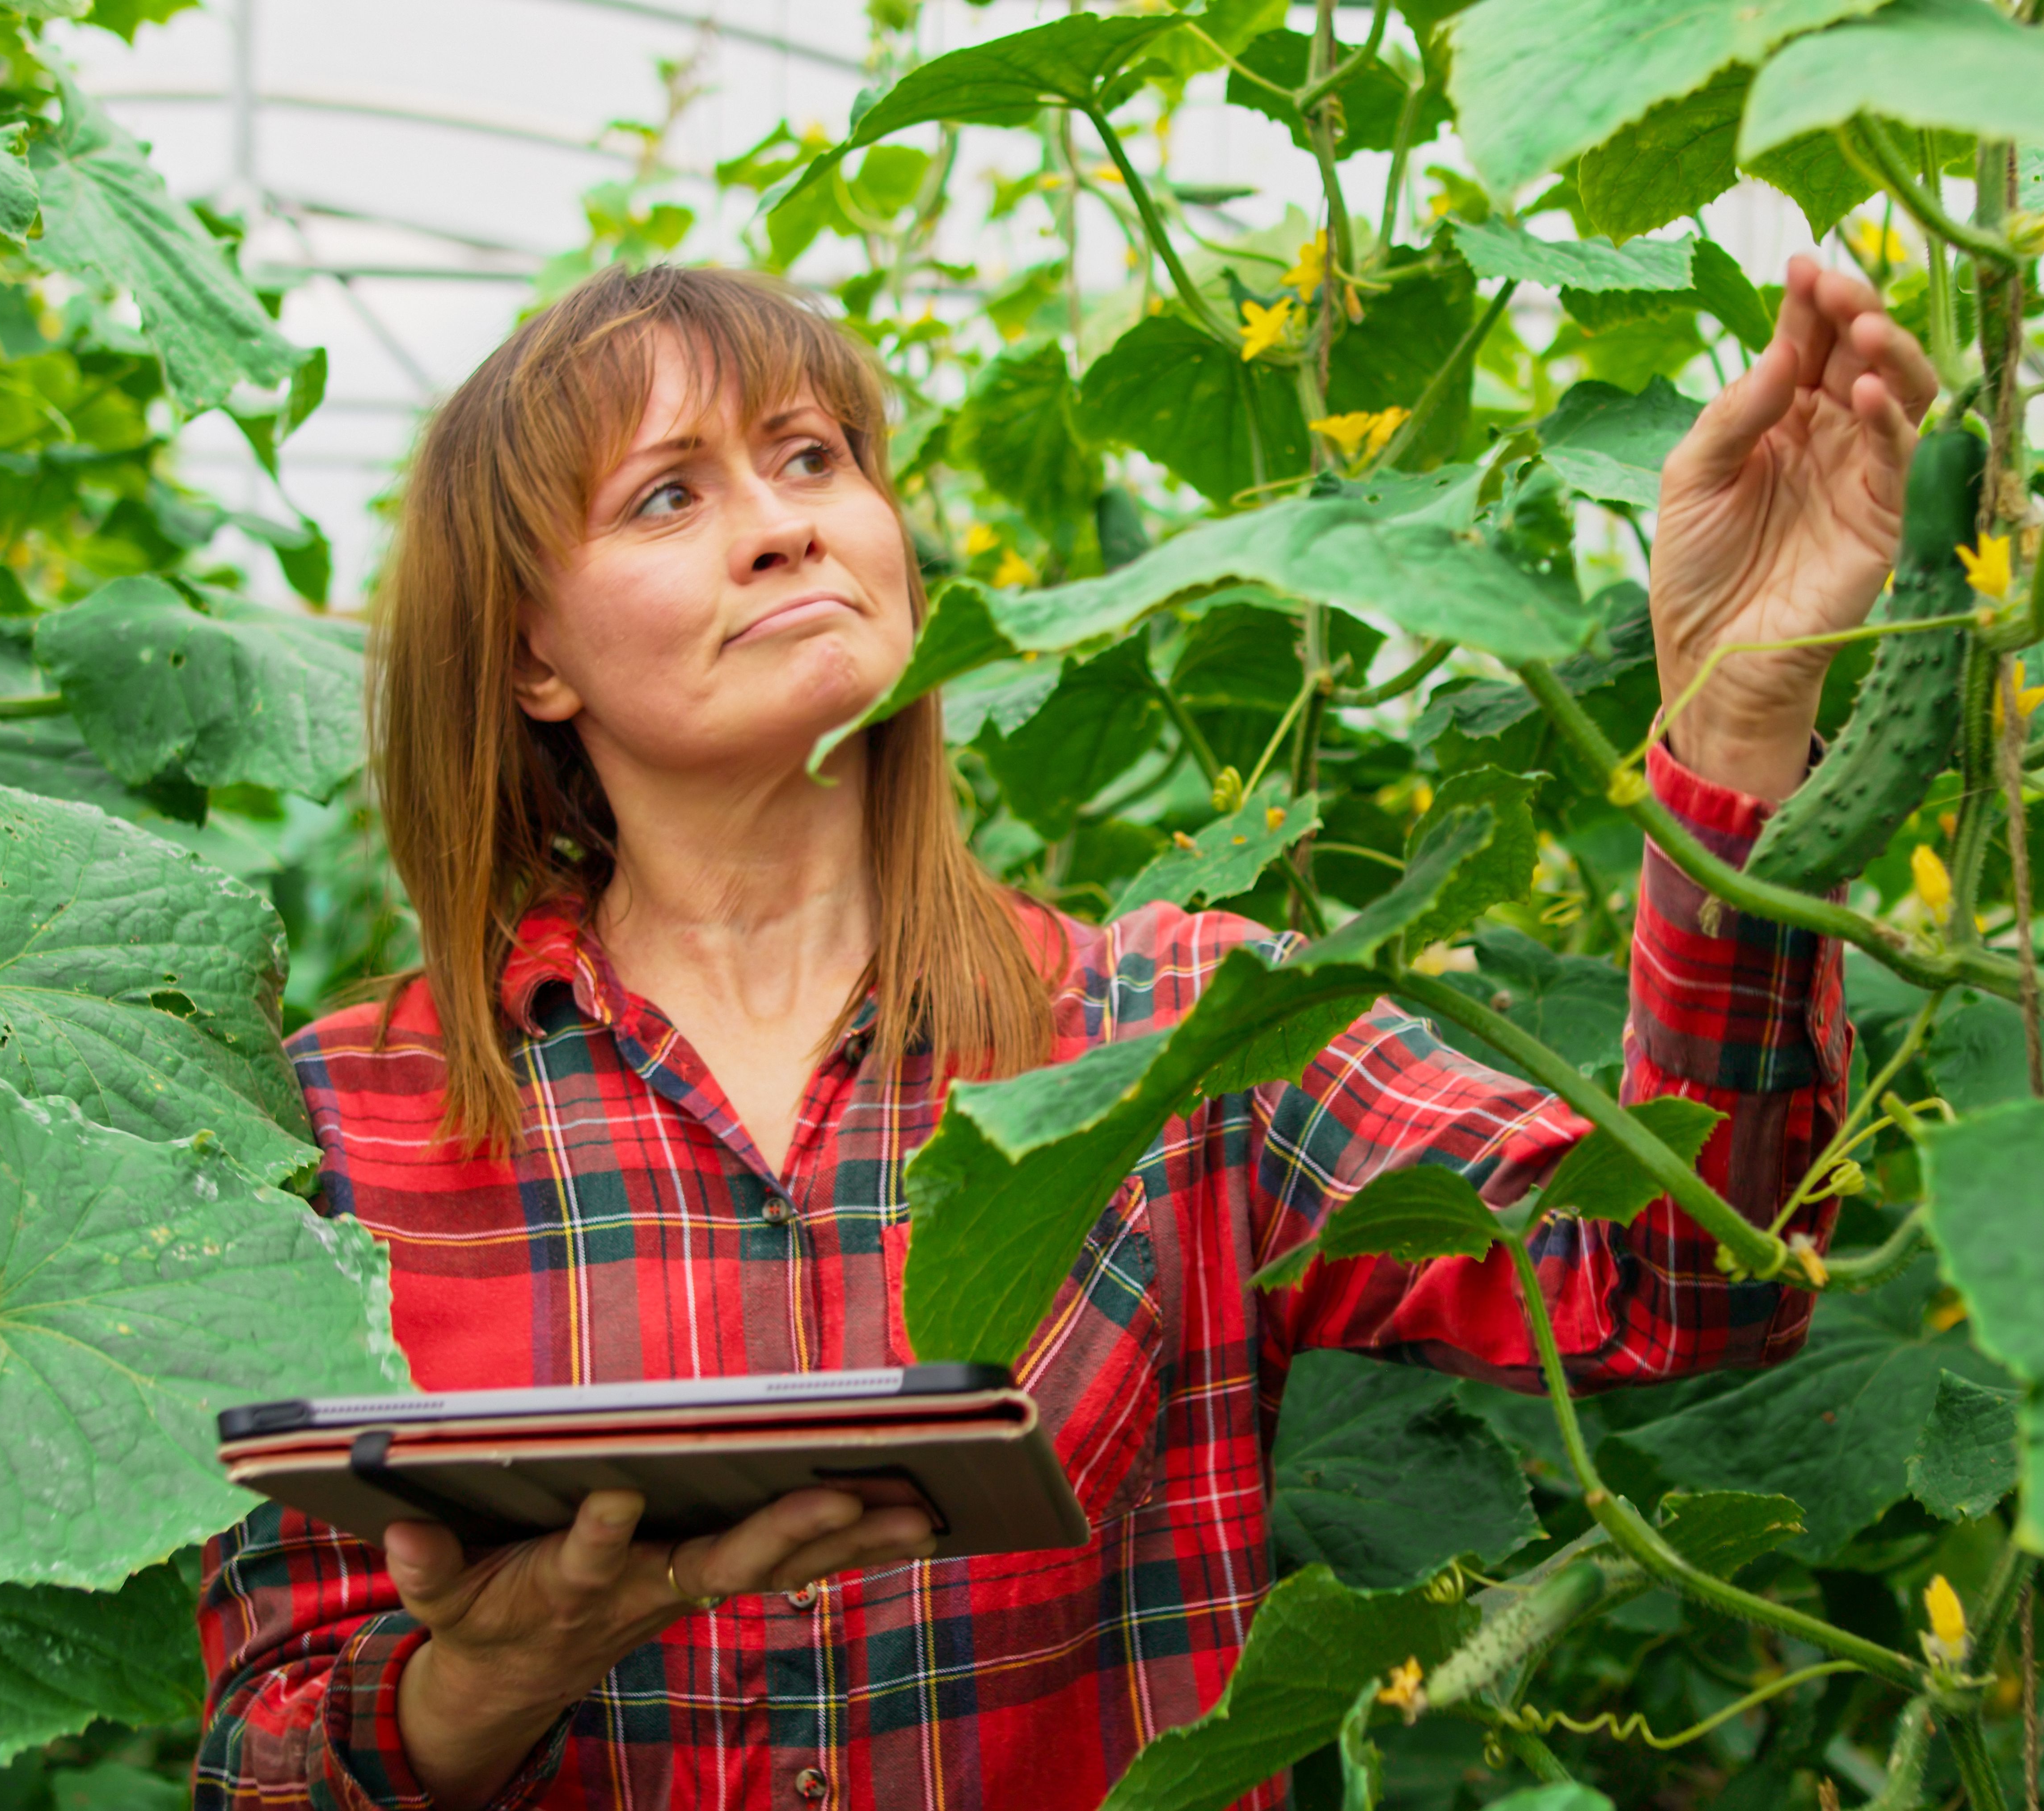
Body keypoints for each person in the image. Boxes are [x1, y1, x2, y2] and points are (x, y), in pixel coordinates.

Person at [198, 256, 1938, 1810]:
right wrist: (497, 1667)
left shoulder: (1175, 1017)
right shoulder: (361, 1112)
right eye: (669, 494)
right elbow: (259, 1764)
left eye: (815, 459)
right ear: (528, 660)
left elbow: (1681, 1280)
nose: (786, 521)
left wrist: (1735, 711)